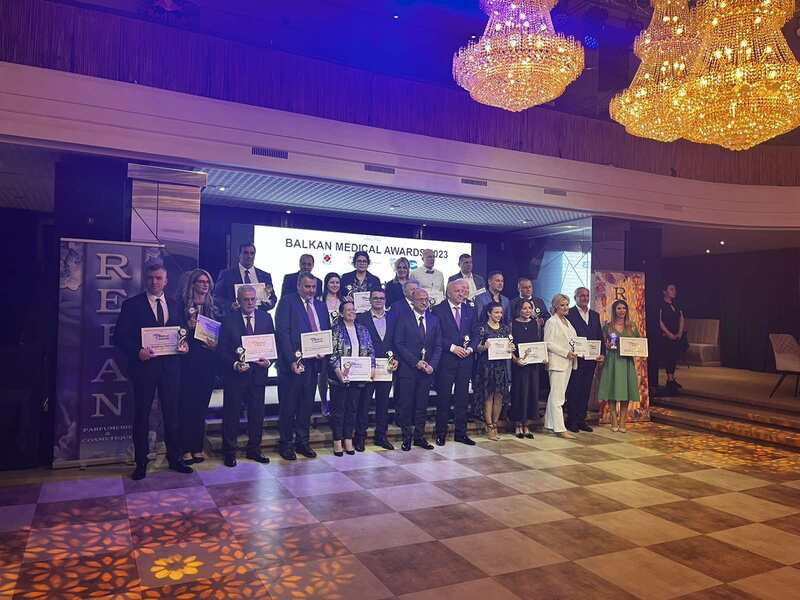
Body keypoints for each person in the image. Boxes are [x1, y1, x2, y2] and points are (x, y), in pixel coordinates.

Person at [113, 263, 191, 480]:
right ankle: (141, 463)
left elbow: (183, 332)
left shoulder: (175, 305)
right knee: (142, 416)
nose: (154, 281)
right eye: (150, 278)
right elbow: (119, 337)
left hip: (171, 368)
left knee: (172, 415)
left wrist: (184, 345)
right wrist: (137, 351)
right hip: (144, 368)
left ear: (166, 281)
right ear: (145, 280)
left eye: (158, 278)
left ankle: (175, 459)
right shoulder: (132, 305)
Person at [275, 273, 332, 460]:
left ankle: (303, 442)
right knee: (288, 407)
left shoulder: (321, 305)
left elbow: (325, 331)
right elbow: (283, 334)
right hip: (292, 365)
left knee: (306, 406)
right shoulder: (287, 302)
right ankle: (286, 444)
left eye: (313, 287)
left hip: (313, 364)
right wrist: (292, 359)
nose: (311, 291)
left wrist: (324, 350)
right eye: (307, 287)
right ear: (299, 285)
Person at [218, 286, 273, 467]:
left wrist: (269, 361)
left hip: (258, 374)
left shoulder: (266, 318)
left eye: (252, 299)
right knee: (231, 414)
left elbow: (272, 345)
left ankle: (254, 450)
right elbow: (222, 350)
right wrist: (235, 364)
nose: (250, 303)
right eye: (246, 299)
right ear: (238, 301)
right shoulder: (228, 320)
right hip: (235, 376)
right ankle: (229, 452)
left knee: (257, 415)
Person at [178, 268, 220, 465]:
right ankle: (185, 448)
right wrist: (188, 327)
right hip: (187, 363)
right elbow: (175, 332)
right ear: (193, 284)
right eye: (200, 281)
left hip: (207, 364)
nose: (204, 285)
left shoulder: (214, 308)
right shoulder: (181, 307)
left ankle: (197, 447)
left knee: (201, 407)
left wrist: (215, 344)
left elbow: (221, 335)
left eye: (207, 282)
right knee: (187, 406)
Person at [392, 288, 442, 451]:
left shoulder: (434, 320)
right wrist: (415, 362)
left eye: (426, 299)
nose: (424, 302)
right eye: (420, 299)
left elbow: (438, 345)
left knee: (422, 405)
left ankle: (419, 437)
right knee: (406, 405)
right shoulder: (403, 319)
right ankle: (407, 437)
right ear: (413, 301)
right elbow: (399, 344)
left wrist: (432, 365)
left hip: (427, 370)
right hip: (408, 369)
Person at [432, 280, 478, 446]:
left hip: (465, 361)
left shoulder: (470, 310)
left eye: (463, 291)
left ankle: (461, 433)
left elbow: (476, 333)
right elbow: (435, 335)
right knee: (443, 399)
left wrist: (470, 349)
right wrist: (452, 348)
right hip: (446, 361)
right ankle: (441, 434)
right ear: (448, 292)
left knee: (462, 399)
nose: (461, 293)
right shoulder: (438, 310)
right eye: (457, 291)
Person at [328, 299, 376, 456]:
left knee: (352, 410)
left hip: (358, 378)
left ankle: (348, 439)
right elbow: (332, 354)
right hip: (339, 378)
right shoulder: (335, 330)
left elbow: (370, 350)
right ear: (341, 313)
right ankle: (337, 441)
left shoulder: (363, 329)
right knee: (339, 411)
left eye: (353, 309)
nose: (352, 312)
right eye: (348, 310)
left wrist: (372, 368)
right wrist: (339, 373)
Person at [357, 288, 395, 450]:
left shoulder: (392, 317)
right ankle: (360, 437)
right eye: (375, 298)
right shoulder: (361, 318)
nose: (379, 300)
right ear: (370, 300)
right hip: (367, 368)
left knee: (383, 404)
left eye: (381, 298)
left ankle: (381, 436)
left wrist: (396, 359)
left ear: (385, 300)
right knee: (364, 403)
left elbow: (397, 341)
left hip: (386, 368)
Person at [566, 287, 605, 433]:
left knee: (586, 390)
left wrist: (602, 353)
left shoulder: (594, 315)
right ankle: (572, 421)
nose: (585, 298)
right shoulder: (569, 313)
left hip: (591, 358)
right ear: (575, 297)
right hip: (576, 359)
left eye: (587, 295)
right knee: (574, 389)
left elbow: (599, 336)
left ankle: (582, 419)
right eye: (582, 295)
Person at [598, 299, 641, 433]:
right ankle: (613, 419)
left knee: (625, 391)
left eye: (624, 308)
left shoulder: (632, 326)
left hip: (626, 362)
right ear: (614, 311)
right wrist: (607, 345)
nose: (622, 311)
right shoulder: (608, 327)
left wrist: (637, 349)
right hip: (612, 360)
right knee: (612, 389)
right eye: (619, 308)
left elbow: (639, 344)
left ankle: (622, 420)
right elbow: (602, 344)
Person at [475, 302, 513, 441]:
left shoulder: (505, 328)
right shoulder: (482, 328)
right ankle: (489, 425)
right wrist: (483, 347)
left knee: (499, 396)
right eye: (496, 312)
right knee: (488, 396)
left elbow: (509, 345)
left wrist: (511, 348)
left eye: (501, 313)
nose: (499, 315)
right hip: (486, 367)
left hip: (501, 367)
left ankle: (495, 423)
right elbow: (477, 348)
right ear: (489, 313)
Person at [544, 293, 578, 439]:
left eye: (567, 305)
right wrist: (565, 353)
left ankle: (549, 424)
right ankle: (560, 428)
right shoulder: (552, 322)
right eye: (562, 305)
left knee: (555, 395)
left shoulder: (567, 322)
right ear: (556, 307)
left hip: (568, 362)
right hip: (558, 362)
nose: (565, 307)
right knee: (558, 397)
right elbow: (548, 343)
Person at [215, 242, 277, 318]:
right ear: (239, 254)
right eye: (246, 253)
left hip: (259, 320)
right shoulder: (227, 275)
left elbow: (273, 298)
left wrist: (269, 303)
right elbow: (216, 298)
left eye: (252, 253)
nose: (249, 256)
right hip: (235, 319)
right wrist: (230, 305)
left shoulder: (265, 276)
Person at [511, 299, 543, 439]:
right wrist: (515, 359)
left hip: (533, 365)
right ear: (519, 310)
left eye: (530, 308)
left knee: (531, 393)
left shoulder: (535, 324)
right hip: (519, 365)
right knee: (519, 393)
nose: (527, 311)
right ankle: (518, 424)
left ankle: (526, 424)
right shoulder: (512, 325)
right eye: (524, 308)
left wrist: (542, 356)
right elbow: (509, 346)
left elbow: (539, 343)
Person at [319, 272, 343, 416]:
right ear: (326, 284)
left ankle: (337, 405)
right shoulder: (319, 301)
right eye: (332, 282)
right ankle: (323, 402)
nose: (335, 285)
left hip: (340, 341)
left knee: (337, 372)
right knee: (323, 373)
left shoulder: (344, 300)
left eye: (337, 282)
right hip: (324, 339)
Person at [659, 283, 686, 394]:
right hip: (666, 335)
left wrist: (680, 332)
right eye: (671, 289)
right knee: (668, 356)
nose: (674, 291)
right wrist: (668, 333)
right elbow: (659, 321)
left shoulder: (676, 304)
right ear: (664, 291)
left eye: (674, 289)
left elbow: (681, 318)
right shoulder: (661, 305)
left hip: (676, 334)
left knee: (674, 357)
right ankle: (669, 380)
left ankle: (672, 378)